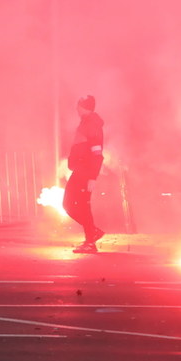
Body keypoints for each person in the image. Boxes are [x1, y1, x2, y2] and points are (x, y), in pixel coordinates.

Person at [63, 95, 106, 254]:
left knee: (78, 205)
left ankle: (90, 240)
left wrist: (92, 177)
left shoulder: (92, 125)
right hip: (81, 170)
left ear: (84, 107)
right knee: (72, 205)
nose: (76, 108)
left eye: (78, 105)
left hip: (85, 172)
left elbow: (97, 153)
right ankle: (91, 234)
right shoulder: (86, 123)